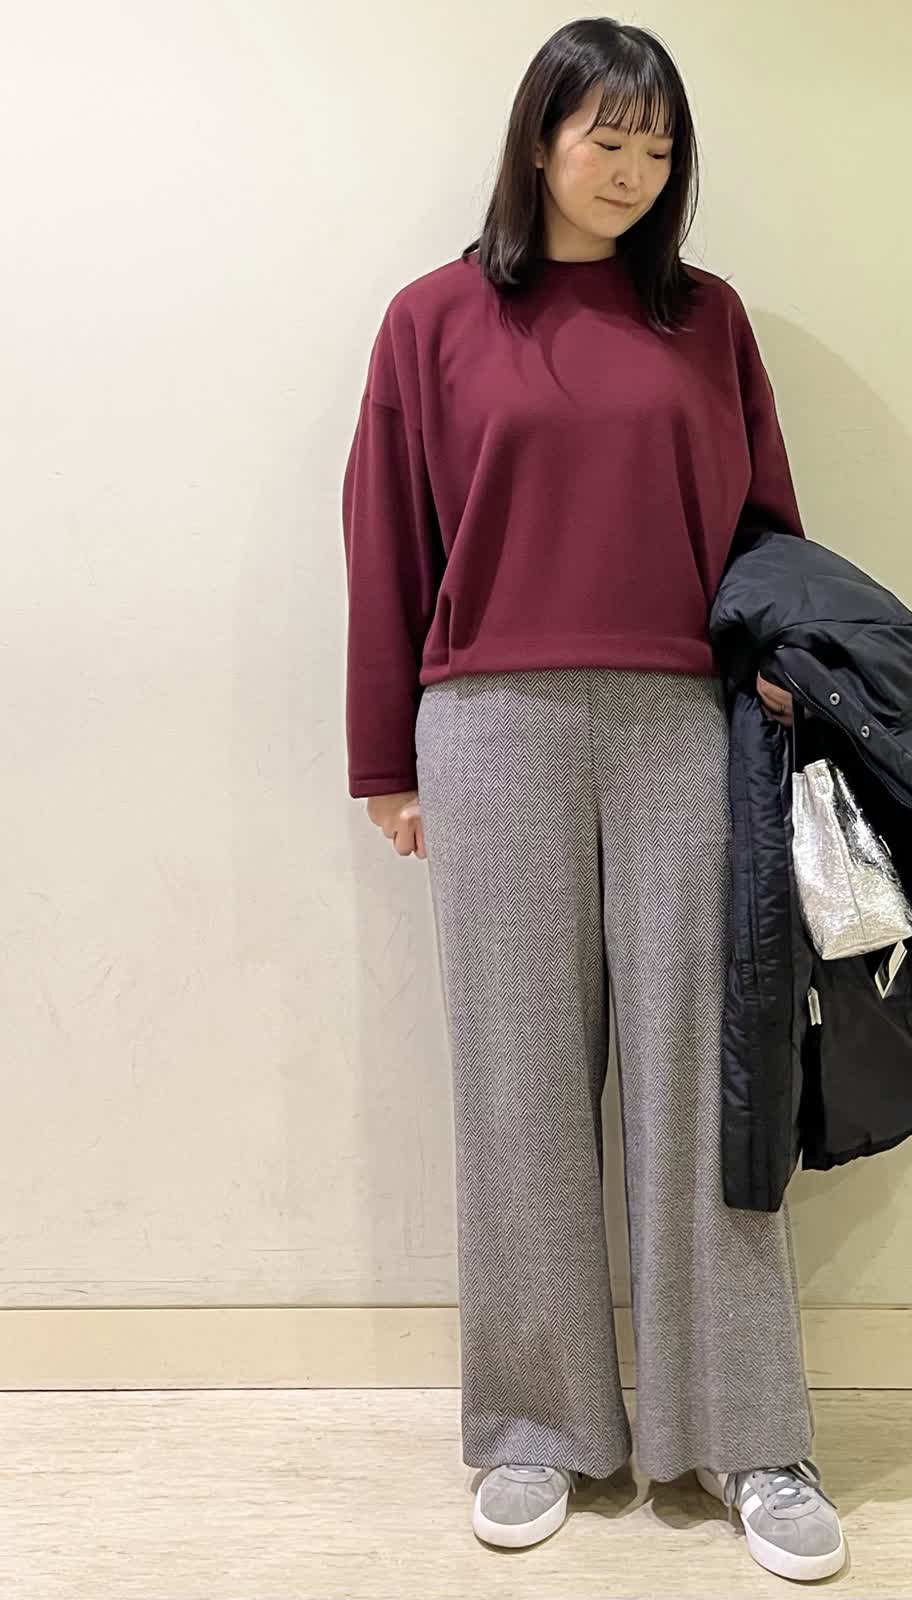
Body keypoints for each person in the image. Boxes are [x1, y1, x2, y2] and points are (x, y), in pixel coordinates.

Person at [340, 17, 847, 1584]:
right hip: (489, 726)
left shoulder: (708, 320)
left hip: (684, 722)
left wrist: (782, 687)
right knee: (518, 1086)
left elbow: (766, 533)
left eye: (658, 144)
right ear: (541, 139)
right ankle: (538, 1426)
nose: (632, 169)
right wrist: (383, 760)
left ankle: (745, 1434)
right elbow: (384, 543)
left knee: (709, 1079)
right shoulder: (431, 321)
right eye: (605, 137)